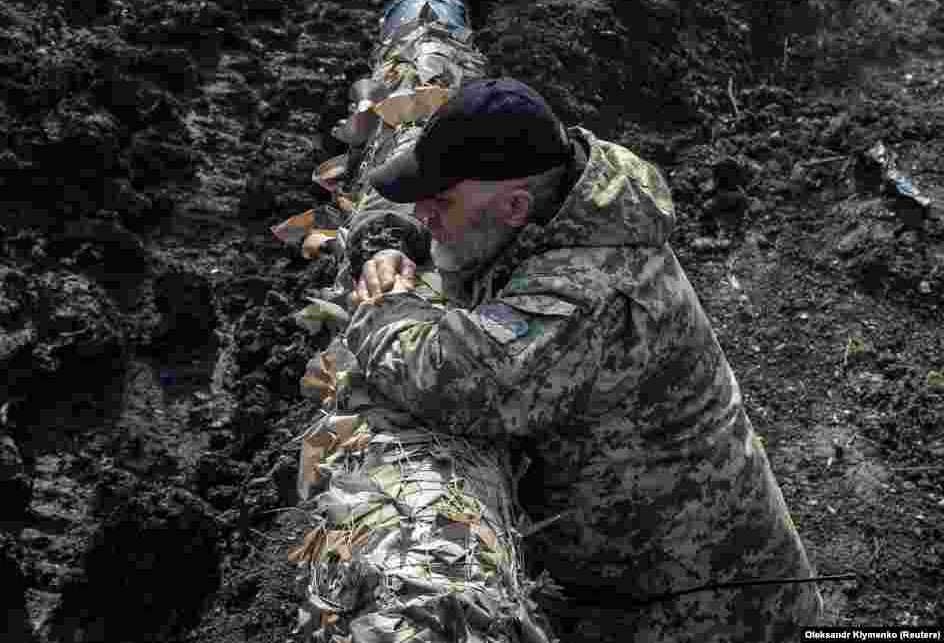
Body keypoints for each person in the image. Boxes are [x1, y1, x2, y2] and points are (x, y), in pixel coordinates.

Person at [342, 77, 823, 642]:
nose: (423, 212)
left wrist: (382, 306)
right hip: (629, 579)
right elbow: (419, 185)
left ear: (516, 206)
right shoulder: (553, 194)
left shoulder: (588, 293)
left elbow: (451, 379)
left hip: (708, 608)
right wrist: (385, 240)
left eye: (439, 202)